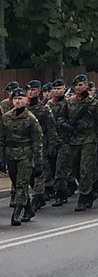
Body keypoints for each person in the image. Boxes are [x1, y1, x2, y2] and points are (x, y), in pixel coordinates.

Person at [58, 74, 98, 212]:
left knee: (85, 169)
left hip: (88, 139)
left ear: (86, 85)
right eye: (76, 85)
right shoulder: (69, 102)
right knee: (75, 169)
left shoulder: (94, 103)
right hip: (73, 140)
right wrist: (66, 125)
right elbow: (61, 118)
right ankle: (88, 189)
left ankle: (84, 197)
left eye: (81, 85)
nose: (78, 88)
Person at [1, 88, 43, 225]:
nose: (18, 101)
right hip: (10, 154)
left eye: (21, 98)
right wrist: (1, 160)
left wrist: (38, 163)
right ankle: (29, 208)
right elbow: (1, 139)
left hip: (25, 154)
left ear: (26, 100)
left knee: (22, 183)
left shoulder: (30, 118)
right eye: (15, 99)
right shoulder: (6, 117)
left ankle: (17, 212)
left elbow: (37, 142)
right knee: (15, 180)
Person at [25, 80, 57, 212]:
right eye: (28, 90)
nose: (30, 92)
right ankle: (40, 192)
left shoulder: (44, 109)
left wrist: (52, 146)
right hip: (26, 146)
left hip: (41, 144)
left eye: (33, 90)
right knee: (29, 173)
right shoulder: (23, 108)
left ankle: (37, 197)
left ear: (38, 91)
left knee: (39, 171)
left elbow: (51, 129)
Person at [48, 79, 72, 206]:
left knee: (60, 169)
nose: (57, 91)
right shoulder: (48, 105)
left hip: (65, 141)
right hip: (52, 141)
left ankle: (60, 193)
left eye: (59, 89)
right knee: (51, 168)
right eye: (55, 89)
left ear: (64, 89)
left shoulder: (69, 104)